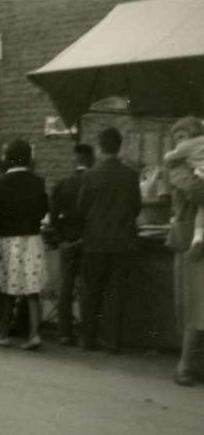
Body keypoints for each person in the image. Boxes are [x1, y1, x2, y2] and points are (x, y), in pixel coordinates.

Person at [78, 127, 141, 354]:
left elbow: (81, 209)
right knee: (115, 292)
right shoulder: (131, 175)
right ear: (119, 146)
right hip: (122, 241)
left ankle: (88, 340)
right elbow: (136, 208)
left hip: (95, 240)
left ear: (100, 146)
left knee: (92, 290)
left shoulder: (90, 175)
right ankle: (112, 341)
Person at [0, 139, 48, 350]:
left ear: (8, 158)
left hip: (7, 239)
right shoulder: (38, 182)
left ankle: (4, 334)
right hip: (32, 239)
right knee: (32, 288)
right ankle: (35, 334)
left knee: (6, 288)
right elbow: (43, 210)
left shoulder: (0, 184)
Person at [164, 117, 204, 386]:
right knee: (195, 305)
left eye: (185, 136)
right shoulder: (178, 170)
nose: (181, 141)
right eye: (177, 138)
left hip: (195, 235)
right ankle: (186, 365)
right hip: (191, 239)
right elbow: (198, 193)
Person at [49, 143, 95, 345]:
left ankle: (64, 333)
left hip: (67, 240)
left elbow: (52, 217)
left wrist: (61, 239)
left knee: (66, 288)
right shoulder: (95, 182)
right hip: (88, 240)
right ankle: (86, 333)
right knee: (86, 288)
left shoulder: (62, 184)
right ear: (91, 160)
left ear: (74, 160)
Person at [162, 125, 204, 258]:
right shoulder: (180, 166)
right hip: (187, 226)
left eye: (182, 137)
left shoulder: (179, 165)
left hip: (186, 227)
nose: (179, 142)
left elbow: (192, 190)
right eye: (176, 139)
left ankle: (198, 238)